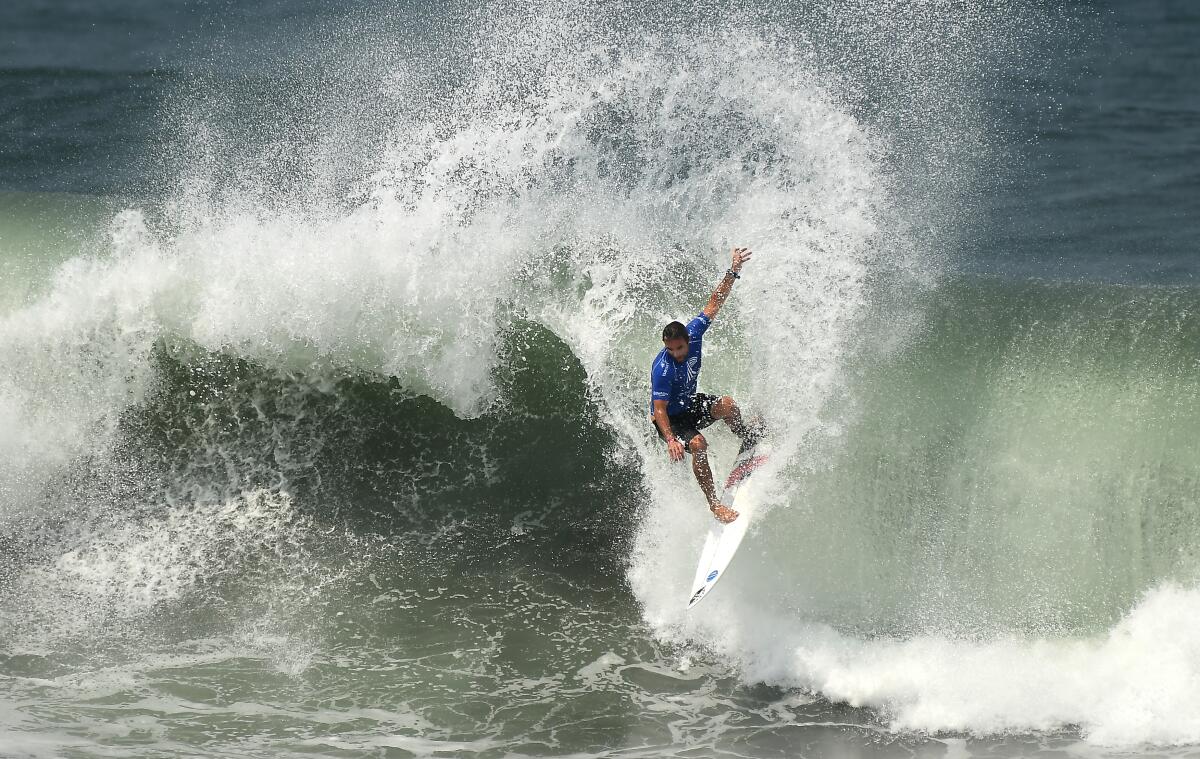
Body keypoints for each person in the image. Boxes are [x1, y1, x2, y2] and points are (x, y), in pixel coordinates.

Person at [650, 247, 761, 524]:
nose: (675, 353)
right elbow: (659, 408)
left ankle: (746, 436)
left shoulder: (695, 332)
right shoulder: (662, 368)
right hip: (670, 420)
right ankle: (714, 505)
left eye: (679, 348)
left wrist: (733, 270)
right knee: (699, 444)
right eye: (671, 349)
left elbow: (715, 301)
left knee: (728, 405)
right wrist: (672, 439)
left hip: (688, 404)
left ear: (688, 339)